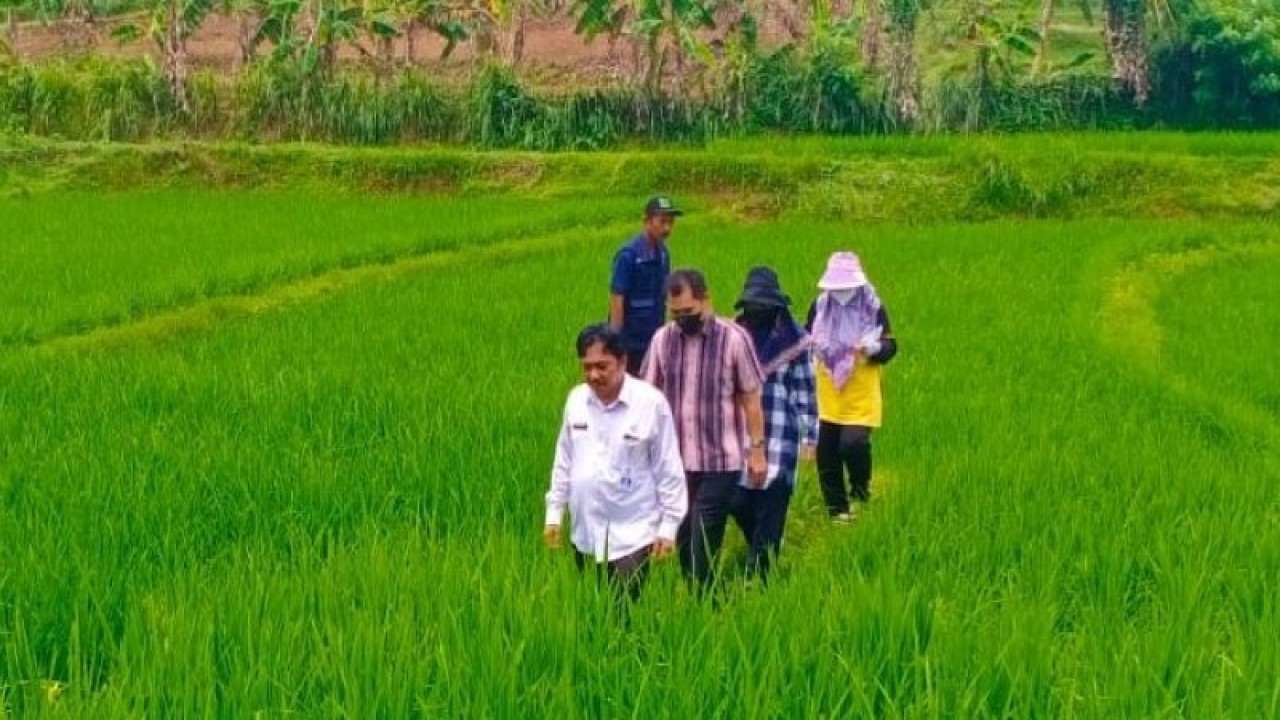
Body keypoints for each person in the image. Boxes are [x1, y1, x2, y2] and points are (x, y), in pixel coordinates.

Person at [641, 269, 767, 593]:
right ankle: (706, 603)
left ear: (706, 300)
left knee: (702, 544)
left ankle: (706, 603)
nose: (683, 319)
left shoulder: (734, 339)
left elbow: (751, 398)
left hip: (719, 462)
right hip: (675, 464)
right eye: (676, 313)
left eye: (689, 312)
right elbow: (647, 398)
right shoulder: (662, 341)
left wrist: (757, 450)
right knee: (683, 543)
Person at [544, 324, 688, 607]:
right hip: (585, 533)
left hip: (632, 532)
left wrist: (669, 527)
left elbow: (668, 468)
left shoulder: (650, 403)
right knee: (592, 609)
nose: (593, 375)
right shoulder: (576, 400)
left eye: (602, 366)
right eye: (586, 367)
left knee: (625, 611)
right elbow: (564, 460)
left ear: (623, 362)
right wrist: (553, 514)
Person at [730, 267, 817, 583]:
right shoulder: (734, 336)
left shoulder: (795, 341)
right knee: (739, 501)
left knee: (771, 502)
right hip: (741, 433)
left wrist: (811, 436)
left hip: (782, 433)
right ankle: (764, 545)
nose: (758, 312)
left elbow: (806, 390)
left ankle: (758, 581)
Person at [806, 252, 899, 523]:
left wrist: (874, 348)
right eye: (837, 288)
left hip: (861, 386)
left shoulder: (873, 307)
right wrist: (811, 355)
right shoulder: (820, 307)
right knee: (826, 451)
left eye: (846, 288)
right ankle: (837, 510)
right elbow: (806, 336)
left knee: (853, 443)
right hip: (828, 388)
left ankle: (860, 489)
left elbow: (891, 346)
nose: (842, 293)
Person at [609, 196, 681, 375]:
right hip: (631, 340)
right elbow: (617, 300)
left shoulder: (663, 254)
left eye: (670, 222)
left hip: (654, 337)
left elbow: (665, 294)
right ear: (647, 221)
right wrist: (614, 341)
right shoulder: (628, 256)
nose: (667, 228)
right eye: (662, 221)